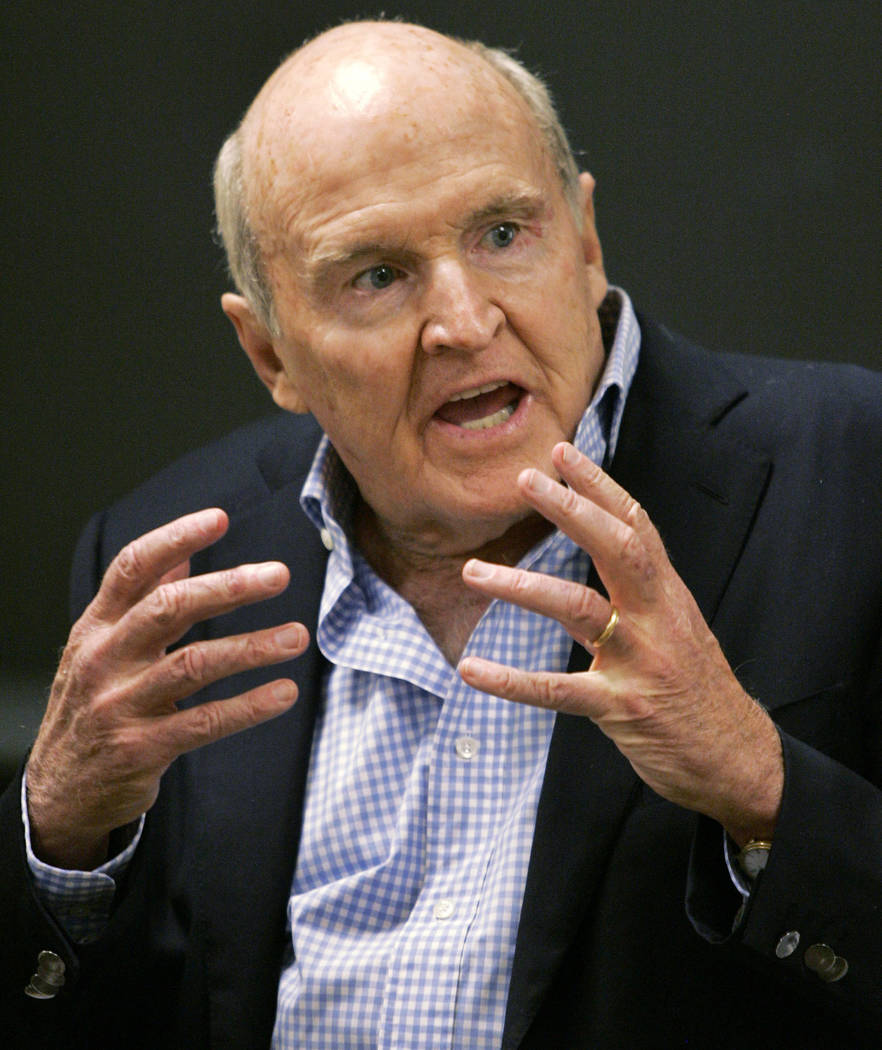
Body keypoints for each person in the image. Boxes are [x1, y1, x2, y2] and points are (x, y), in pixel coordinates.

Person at [2, 19, 880, 1049]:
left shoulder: (852, 475)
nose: (464, 322)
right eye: (376, 276)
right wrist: (60, 834)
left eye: (503, 234)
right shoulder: (170, 563)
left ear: (585, 240)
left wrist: (762, 786)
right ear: (270, 351)